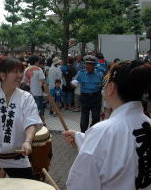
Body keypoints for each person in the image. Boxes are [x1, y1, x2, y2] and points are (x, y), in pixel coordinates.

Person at [63, 60, 151, 190]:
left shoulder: (102, 131)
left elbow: (81, 183)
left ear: (111, 88)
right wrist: (78, 137)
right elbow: (116, 150)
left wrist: (88, 139)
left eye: (106, 82)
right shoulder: (147, 123)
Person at [74, 55, 104, 132]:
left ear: (94, 65)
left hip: (96, 97)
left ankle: (93, 131)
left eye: (90, 64)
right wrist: (73, 84)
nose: (88, 66)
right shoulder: (81, 73)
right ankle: (83, 133)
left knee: (96, 117)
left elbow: (103, 85)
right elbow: (74, 83)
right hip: (85, 97)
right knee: (84, 117)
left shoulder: (99, 74)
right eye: (87, 64)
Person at [23, 55, 46, 123]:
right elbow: (43, 81)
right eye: (38, 61)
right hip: (38, 92)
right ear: (36, 61)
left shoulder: (26, 69)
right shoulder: (39, 70)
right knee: (39, 110)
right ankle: (39, 123)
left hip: (28, 93)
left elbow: (24, 81)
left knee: (29, 110)